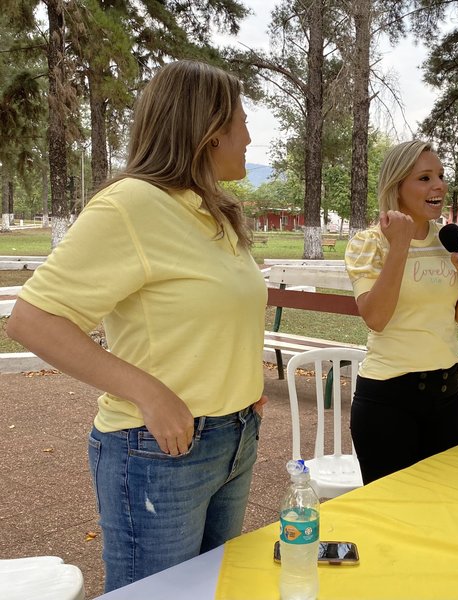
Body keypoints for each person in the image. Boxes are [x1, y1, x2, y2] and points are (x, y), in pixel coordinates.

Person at [7, 60, 267, 592]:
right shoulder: (132, 205)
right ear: (208, 129)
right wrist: (148, 392)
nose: (248, 135)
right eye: (242, 119)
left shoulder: (213, 213)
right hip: (159, 452)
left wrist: (241, 385)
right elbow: (31, 319)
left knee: (209, 589)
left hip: (233, 436)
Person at [344, 140, 458, 485]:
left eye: (439, 175)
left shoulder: (449, 239)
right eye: (424, 178)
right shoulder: (369, 242)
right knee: (394, 519)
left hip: (447, 395)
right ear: (397, 186)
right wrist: (400, 244)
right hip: (388, 403)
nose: (438, 185)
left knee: (447, 508)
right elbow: (375, 317)